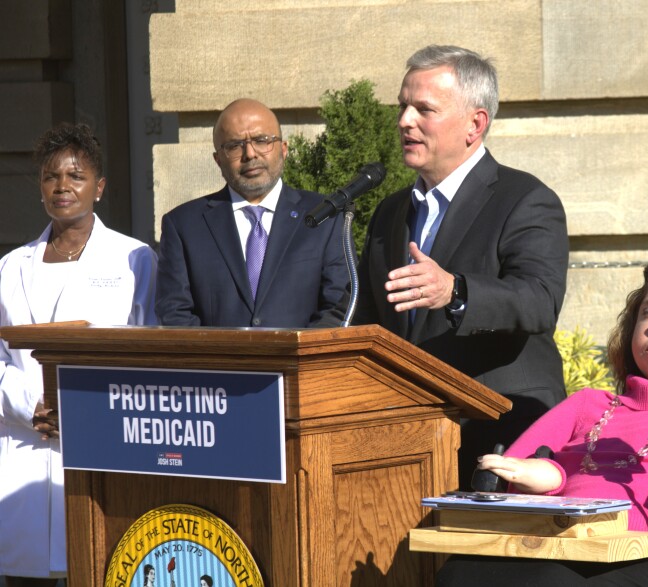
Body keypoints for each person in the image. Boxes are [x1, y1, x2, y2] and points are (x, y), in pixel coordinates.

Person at [437, 246, 648, 586]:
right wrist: (548, 477)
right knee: (460, 573)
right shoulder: (587, 404)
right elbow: (505, 474)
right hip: (558, 545)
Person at [344, 45, 569, 488]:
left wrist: (457, 291)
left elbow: (539, 301)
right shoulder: (390, 213)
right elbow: (371, 322)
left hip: (502, 433)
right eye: (403, 106)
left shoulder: (524, 199)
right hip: (409, 437)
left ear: (475, 124)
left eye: (423, 109)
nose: (405, 121)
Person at [0, 123, 157, 585]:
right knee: (26, 574)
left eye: (76, 175)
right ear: (41, 188)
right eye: (52, 176)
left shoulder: (135, 259)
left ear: (100, 187)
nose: (63, 186)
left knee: (97, 564)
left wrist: (83, 409)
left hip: (98, 446)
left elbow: (145, 353)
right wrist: (29, 405)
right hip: (22, 450)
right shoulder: (10, 267)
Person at [156, 98, 348, 327]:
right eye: (234, 145)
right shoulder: (184, 226)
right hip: (219, 362)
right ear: (218, 160)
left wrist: (294, 358)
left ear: (283, 149)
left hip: (301, 361)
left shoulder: (325, 215)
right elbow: (175, 314)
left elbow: (338, 307)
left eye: (261, 140)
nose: (250, 153)